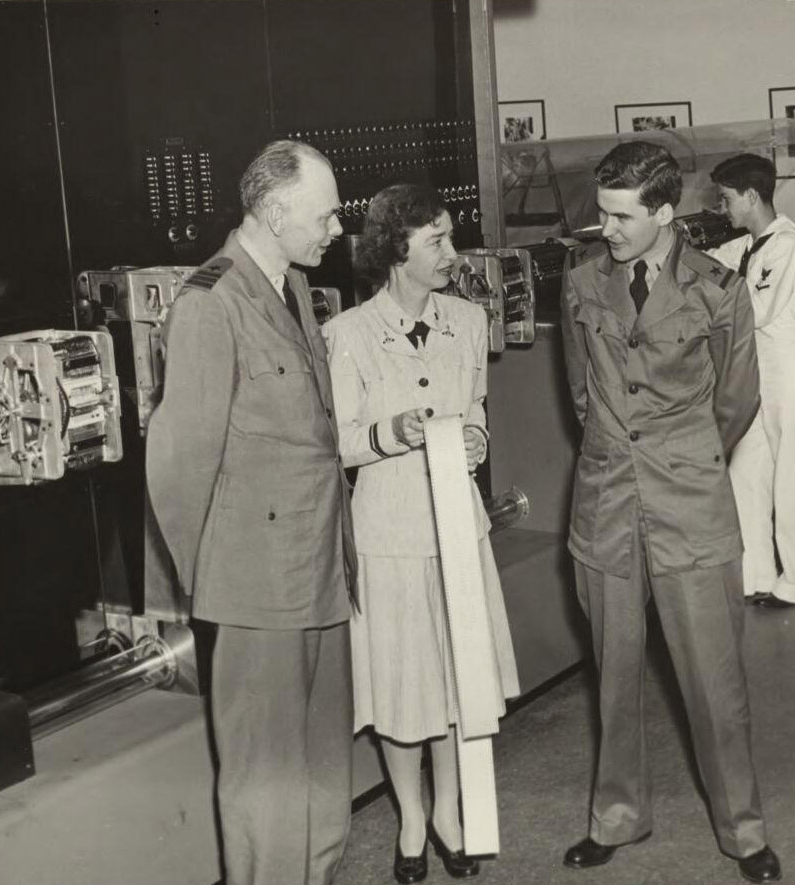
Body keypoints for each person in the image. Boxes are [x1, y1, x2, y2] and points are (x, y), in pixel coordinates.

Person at [559, 141, 782, 884]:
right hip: (605, 503)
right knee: (614, 676)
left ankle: (744, 831)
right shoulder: (583, 279)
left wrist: (680, 457)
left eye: (621, 215)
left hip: (689, 502)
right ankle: (617, 816)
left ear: (664, 212)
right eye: (602, 211)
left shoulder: (719, 288)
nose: (606, 227)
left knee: (714, 682)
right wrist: (619, 452)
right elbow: (582, 392)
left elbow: (737, 398)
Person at [146, 140, 355, 885]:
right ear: (273, 212)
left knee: (324, 769)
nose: (338, 228)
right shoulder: (210, 302)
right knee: (267, 785)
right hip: (257, 589)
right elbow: (178, 467)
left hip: (321, 569)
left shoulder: (291, 285)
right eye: (326, 214)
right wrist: (209, 591)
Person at [322, 184, 519, 885]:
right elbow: (337, 444)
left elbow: (475, 409)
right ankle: (410, 815)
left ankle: (450, 812)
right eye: (437, 240)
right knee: (403, 684)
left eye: (449, 236)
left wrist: (473, 438)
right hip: (390, 527)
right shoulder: (344, 336)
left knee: (461, 675)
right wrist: (390, 433)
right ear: (395, 249)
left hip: (456, 525)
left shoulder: (467, 320)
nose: (453, 252)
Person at [708, 153, 795, 608]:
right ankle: (755, 575)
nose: (723, 208)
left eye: (727, 199)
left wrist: (714, 303)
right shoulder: (752, 243)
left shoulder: (786, 246)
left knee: (794, 483)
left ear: (751, 196)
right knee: (745, 476)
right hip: (761, 378)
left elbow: (757, 312)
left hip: (790, 376)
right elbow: (715, 262)